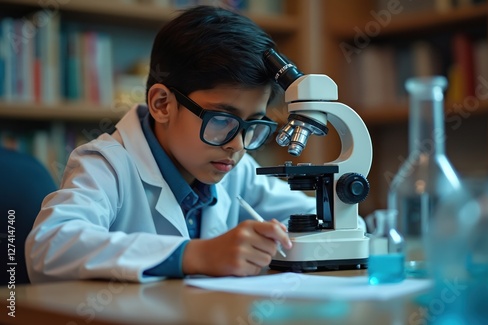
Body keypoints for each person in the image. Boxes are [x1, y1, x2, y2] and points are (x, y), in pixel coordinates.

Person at [26, 5, 319, 283]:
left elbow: (314, 218)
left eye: (253, 124)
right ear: (162, 104)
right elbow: (49, 246)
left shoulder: (235, 170)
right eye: (220, 119)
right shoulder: (106, 165)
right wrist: (196, 255)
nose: (237, 145)